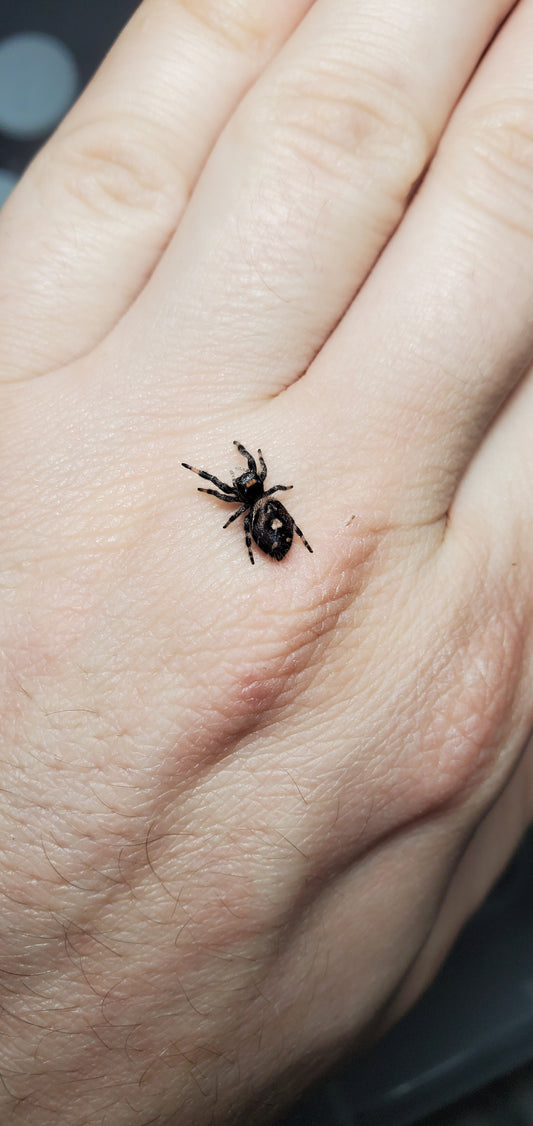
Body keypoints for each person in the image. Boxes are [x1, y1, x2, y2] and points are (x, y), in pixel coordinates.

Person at [0, 0, 531, 1121]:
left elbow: (256, 497)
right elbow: (251, 500)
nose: (247, 502)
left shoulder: (256, 498)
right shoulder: (251, 501)